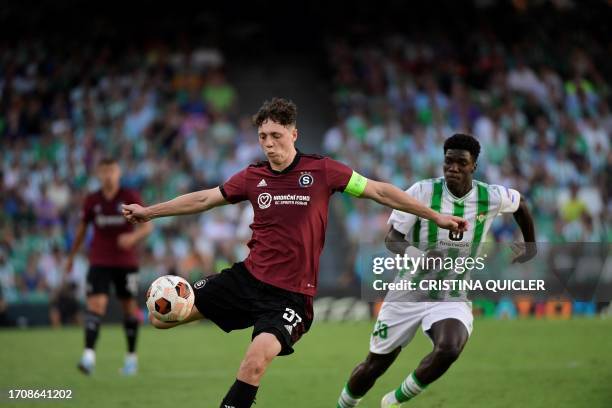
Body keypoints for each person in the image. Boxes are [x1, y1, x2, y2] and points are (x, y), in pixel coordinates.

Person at [122, 98, 467, 408]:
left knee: (254, 362)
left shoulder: (323, 171)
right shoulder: (251, 176)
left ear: (294, 134)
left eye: (276, 135)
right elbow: (203, 199)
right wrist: (149, 212)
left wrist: (436, 216)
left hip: (289, 297)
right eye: (263, 137)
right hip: (246, 279)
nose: (269, 144)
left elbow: (378, 191)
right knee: (161, 318)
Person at [335, 134, 537, 408]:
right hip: (407, 293)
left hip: (450, 294)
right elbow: (392, 238)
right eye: (448, 161)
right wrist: (418, 255)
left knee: (450, 348)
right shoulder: (422, 192)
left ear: (473, 166)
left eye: (461, 163)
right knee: (374, 366)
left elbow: (521, 204)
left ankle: (393, 401)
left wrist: (530, 246)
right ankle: (344, 405)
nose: (453, 167)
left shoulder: (489, 196)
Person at [65, 158, 153, 375]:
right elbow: (82, 230)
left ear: (118, 172)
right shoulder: (92, 200)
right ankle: (88, 357)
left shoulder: (129, 197)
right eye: (104, 171)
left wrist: (132, 239)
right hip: (100, 261)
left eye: (112, 171)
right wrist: (71, 257)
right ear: (98, 174)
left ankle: (131, 358)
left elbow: (147, 227)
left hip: (126, 262)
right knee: (95, 307)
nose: (108, 175)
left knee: (128, 310)